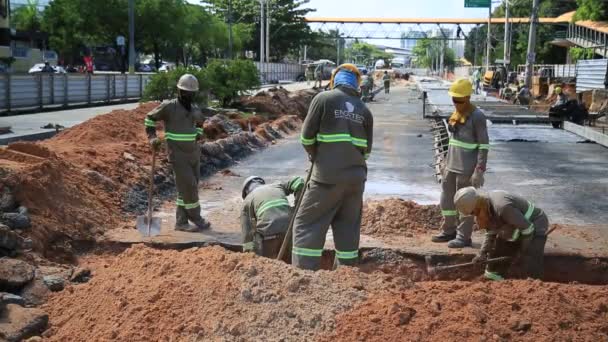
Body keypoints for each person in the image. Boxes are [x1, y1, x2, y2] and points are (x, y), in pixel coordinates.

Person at [292, 63, 374, 270]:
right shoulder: (364, 110)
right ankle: (346, 275)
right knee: (348, 227)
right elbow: (367, 151)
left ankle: (303, 276)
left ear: (334, 80)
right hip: (355, 180)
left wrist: (315, 155)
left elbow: (306, 137)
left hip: (327, 178)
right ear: (357, 84)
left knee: (307, 225)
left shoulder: (323, 99)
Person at [144, 74, 213, 232]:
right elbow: (149, 119)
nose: (188, 95)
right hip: (178, 154)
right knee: (190, 186)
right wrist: (152, 137)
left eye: (191, 92)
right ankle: (196, 217)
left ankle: (181, 222)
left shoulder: (194, 108)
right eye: (185, 92)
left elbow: (200, 121)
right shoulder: (169, 106)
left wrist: (198, 132)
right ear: (179, 91)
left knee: (186, 188)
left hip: (193, 153)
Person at [432, 78, 489, 248]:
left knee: (465, 203)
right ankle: (449, 229)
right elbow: (453, 141)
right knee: (447, 199)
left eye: (459, 100)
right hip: (451, 165)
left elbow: (484, 145)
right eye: (454, 100)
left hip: (466, 168)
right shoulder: (456, 115)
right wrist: (444, 162)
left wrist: (479, 170)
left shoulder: (477, 116)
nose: (455, 103)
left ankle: (464, 236)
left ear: (467, 98)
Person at [454, 187, 549, 280]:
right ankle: (493, 279)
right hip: (514, 226)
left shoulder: (502, 207)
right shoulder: (485, 206)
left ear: (477, 206)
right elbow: (490, 232)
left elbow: (528, 229)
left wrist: (522, 251)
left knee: (530, 256)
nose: (474, 217)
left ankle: (533, 282)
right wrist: (482, 253)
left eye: (472, 213)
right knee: (496, 253)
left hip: (535, 223)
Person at [240, 176, 304, 258]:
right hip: (289, 228)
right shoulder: (276, 185)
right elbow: (299, 181)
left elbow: (247, 235)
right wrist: (297, 208)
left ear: (246, 192)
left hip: (269, 234)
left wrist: (248, 255)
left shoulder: (246, 202)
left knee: (269, 263)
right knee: (289, 261)